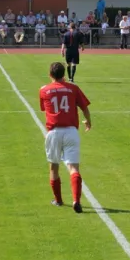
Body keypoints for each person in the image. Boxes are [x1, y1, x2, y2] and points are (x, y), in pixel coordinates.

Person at [39, 62, 92, 214]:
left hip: (54, 132)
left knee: (54, 167)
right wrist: (88, 121)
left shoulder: (44, 90)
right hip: (71, 131)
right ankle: (77, 200)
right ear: (64, 74)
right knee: (74, 168)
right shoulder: (73, 88)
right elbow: (84, 107)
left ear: (50, 75)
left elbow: (44, 108)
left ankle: (58, 200)